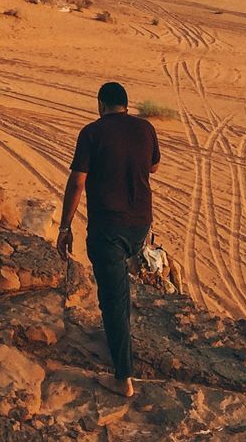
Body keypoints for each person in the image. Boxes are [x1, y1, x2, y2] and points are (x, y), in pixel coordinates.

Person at [56, 81, 160, 398]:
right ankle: (118, 341)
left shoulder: (92, 132)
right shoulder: (145, 128)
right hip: (141, 225)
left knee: (114, 300)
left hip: (108, 229)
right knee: (117, 294)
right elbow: (154, 166)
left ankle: (123, 378)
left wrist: (64, 226)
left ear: (101, 104)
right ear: (126, 105)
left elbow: (77, 182)